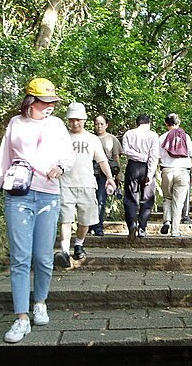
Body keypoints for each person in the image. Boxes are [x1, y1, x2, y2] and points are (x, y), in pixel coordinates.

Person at [0, 78, 75, 343]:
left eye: (52, 102)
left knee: (43, 257)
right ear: (30, 102)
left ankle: (40, 303)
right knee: (20, 258)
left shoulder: (57, 125)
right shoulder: (16, 123)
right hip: (18, 195)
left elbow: (68, 154)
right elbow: (3, 159)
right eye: (44, 102)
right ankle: (21, 318)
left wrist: (61, 167)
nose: (49, 107)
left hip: (48, 194)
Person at [54, 103, 116, 268]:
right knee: (65, 220)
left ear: (84, 120)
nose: (75, 123)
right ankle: (64, 251)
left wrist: (109, 177)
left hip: (87, 184)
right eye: (72, 120)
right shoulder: (62, 137)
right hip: (65, 184)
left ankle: (79, 244)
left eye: (78, 120)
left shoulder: (92, 139)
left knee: (85, 220)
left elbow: (101, 160)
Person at [158, 113, 192, 237]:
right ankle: (175, 231)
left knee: (167, 198)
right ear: (178, 123)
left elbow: (157, 155)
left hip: (167, 171)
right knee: (178, 202)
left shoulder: (162, 137)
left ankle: (167, 220)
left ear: (166, 124)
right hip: (182, 171)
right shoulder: (185, 136)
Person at [122, 115, 159, 240]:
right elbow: (154, 156)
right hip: (147, 166)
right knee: (147, 198)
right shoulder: (153, 135)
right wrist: (150, 173)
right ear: (149, 123)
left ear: (137, 123)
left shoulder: (128, 134)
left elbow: (126, 150)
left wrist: (138, 156)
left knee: (130, 196)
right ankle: (142, 227)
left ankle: (131, 224)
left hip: (132, 166)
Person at [88, 114, 124, 237]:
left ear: (106, 125)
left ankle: (98, 226)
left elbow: (116, 157)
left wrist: (117, 174)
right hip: (90, 172)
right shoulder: (90, 138)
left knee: (101, 199)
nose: (99, 126)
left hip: (104, 173)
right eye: (97, 123)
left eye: (101, 124)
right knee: (89, 200)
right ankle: (89, 225)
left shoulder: (112, 139)